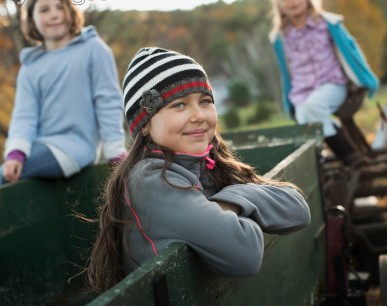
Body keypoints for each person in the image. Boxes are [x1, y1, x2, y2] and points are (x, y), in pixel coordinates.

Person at [86, 47, 311, 292]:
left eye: (204, 101)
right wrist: (238, 205)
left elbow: (298, 209)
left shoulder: (207, 163)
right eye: (179, 105)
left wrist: (229, 201)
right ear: (145, 125)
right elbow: (245, 253)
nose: (198, 115)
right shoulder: (149, 181)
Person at [0, 0, 126, 185]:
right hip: (39, 147)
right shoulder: (31, 66)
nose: (54, 14)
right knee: (7, 172)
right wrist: (16, 152)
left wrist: (115, 150)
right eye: (44, 10)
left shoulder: (93, 48)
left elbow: (107, 101)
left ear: (71, 11)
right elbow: (24, 116)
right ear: (32, 20)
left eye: (60, 7)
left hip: (75, 148)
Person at [269, 0, 379, 167]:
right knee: (304, 120)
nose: (292, 2)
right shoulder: (280, 36)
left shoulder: (327, 23)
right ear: (279, 5)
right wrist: (289, 100)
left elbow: (351, 49)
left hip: (332, 84)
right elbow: (285, 72)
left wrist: (365, 77)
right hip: (301, 91)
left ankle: (351, 156)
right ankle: (320, 162)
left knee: (312, 107)